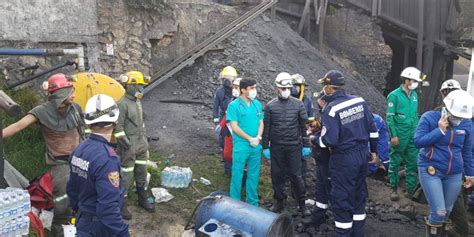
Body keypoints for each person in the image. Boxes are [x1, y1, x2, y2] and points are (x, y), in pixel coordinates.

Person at [3, 73, 84, 234]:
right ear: (59, 94)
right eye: (70, 91)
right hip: (60, 164)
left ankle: (79, 224)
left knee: (84, 192)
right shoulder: (41, 112)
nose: (73, 95)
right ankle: (58, 229)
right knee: (62, 199)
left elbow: (83, 129)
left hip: (80, 159)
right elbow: (18, 126)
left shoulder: (75, 108)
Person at [315, 70, 379, 236]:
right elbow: (373, 130)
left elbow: (329, 140)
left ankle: (343, 233)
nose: (323, 89)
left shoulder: (331, 109)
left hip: (344, 159)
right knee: (358, 196)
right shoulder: (360, 101)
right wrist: (373, 151)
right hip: (362, 155)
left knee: (341, 198)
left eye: (324, 86)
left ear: (329, 88)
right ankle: (358, 233)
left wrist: (314, 139)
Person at [67, 94, 130, 237]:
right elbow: (107, 208)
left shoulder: (79, 150)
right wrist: (122, 233)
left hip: (83, 222)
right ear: (115, 122)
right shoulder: (108, 159)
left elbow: (72, 189)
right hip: (100, 227)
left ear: (88, 123)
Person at [413, 89, 474, 237]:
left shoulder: (466, 125)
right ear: (446, 108)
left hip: (454, 173)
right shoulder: (429, 118)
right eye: (456, 116)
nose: (458, 119)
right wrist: (439, 130)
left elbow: (467, 152)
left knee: (447, 211)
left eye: (461, 117)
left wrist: (471, 174)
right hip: (431, 169)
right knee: (439, 211)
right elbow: (418, 142)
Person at [261, 72, 311, 216]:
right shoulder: (270, 106)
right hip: (276, 147)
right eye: (283, 89)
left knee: (296, 176)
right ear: (277, 88)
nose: (286, 91)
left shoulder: (299, 104)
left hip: (294, 146)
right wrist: (265, 146)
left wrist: (306, 145)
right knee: (277, 175)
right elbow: (267, 128)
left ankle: (302, 203)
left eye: (288, 88)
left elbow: (303, 127)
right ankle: (279, 201)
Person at [114, 71, 155, 218]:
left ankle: (142, 198)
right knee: (127, 174)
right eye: (139, 86)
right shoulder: (121, 104)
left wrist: (144, 139)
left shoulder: (137, 101)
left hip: (141, 143)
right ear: (130, 85)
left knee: (141, 171)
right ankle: (122, 204)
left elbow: (140, 123)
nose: (141, 89)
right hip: (129, 145)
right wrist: (126, 144)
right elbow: (118, 129)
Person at [386, 66, 425, 201]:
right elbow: (390, 118)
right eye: (414, 80)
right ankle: (393, 189)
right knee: (395, 161)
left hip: (413, 135)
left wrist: (419, 132)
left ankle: (409, 190)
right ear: (406, 80)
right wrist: (394, 135)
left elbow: (415, 116)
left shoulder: (414, 95)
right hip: (400, 134)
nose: (416, 83)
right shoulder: (394, 96)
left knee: (412, 163)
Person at [226, 78, 264, 206]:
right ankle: (234, 202)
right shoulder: (234, 106)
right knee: (237, 174)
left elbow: (261, 122)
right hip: (241, 145)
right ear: (243, 90)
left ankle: (252, 203)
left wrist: (258, 137)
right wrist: (249, 138)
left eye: (255, 87)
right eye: (251, 88)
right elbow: (234, 127)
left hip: (255, 145)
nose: (254, 90)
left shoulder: (257, 104)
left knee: (253, 176)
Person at [302, 92, 332, 229]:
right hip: (321, 158)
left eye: (320, 100)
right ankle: (318, 215)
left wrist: (314, 138)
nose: (318, 102)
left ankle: (341, 220)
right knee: (320, 187)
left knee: (331, 187)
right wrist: (316, 127)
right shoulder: (324, 113)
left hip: (330, 159)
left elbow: (329, 138)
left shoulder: (332, 113)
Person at [291, 73, 315, 194]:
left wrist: (308, 134)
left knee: (302, 163)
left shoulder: (307, 101)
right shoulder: (286, 100)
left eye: (298, 86)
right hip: (288, 136)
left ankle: (301, 188)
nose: (295, 88)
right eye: (293, 85)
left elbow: (311, 120)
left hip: (302, 136)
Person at [220, 78, 242, 176]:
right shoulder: (231, 101)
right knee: (227, 153)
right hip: (229, 132)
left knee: (238, 154)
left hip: (240, 133)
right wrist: (221, 125)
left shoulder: (246, 103)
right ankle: (228, 170)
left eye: (237, 88)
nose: (234, 90)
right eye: (234, 87)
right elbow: (227, 114)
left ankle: (238, 172)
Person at [212, 66, 238, 148]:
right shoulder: (220, 92)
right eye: (226, 79)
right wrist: (216, 121)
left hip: (236, 117)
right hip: (224, 116)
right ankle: (224, 151)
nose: (229, 81)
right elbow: (215, 106)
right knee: (224, 136)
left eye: (230, 79)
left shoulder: (237, 90)